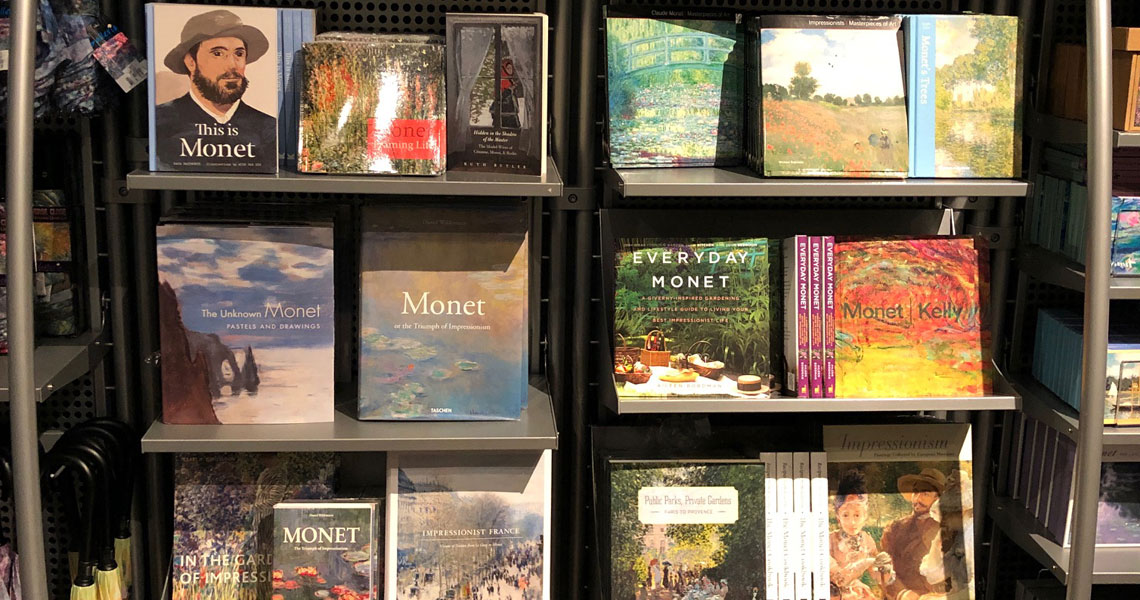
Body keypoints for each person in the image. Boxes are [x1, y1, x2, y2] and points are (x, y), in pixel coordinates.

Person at [153, 9, 277, 171]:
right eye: (218, 53)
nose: (232, 65)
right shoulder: (161, 122)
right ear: (191, 62)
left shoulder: (268, 128)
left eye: (239, 53)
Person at [879, 468, 948, 600]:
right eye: (916, 493)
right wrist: (903, 593)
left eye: (925, 494)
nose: (917, 499)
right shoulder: (895, 529)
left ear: (938, 498)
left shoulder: (948, 531)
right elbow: (884, 566)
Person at [829, 469, 884, 600]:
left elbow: (876, 574)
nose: (852, 522)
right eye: (845, 515)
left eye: (857, 515)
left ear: (865, 515)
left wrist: (884, 569)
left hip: (857, 592)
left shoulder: (867, 540)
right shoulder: (830, 540)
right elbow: (839, 578)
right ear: (838, 516)